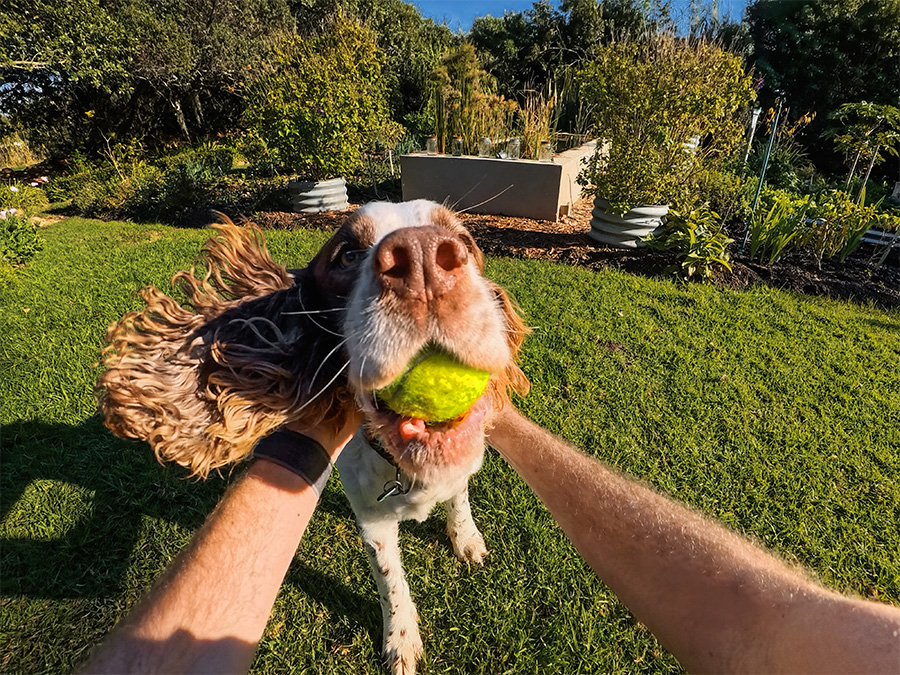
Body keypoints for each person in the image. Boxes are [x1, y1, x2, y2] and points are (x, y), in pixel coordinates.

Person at [83, 406, 900, 674]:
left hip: (438, 467)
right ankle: (397, 609)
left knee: (454, 474)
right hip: (369, 473)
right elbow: (758, 620)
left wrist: (488, 435)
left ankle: (461, 516)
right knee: (377, 516)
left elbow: (760, 620)